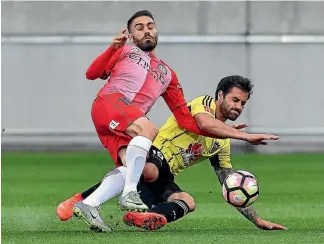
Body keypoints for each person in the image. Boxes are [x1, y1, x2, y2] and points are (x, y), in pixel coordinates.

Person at [57, 75, 284, 232]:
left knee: (187, 201)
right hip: (153, 154)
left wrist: (257, 220)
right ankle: (80, 199)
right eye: (235, 100)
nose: (238, 107)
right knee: (150, 170)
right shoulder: (204, 104)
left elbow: (231, 186)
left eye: (243, 103)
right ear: (219, 95)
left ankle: (151, 216)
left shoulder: (222, 145)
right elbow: (205, 124)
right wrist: (245, 137)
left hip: (163, 176)